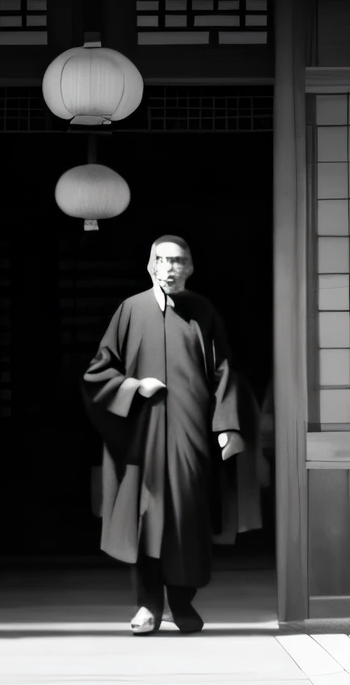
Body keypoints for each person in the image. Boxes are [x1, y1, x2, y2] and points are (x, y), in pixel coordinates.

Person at [83, 235, 244, 634]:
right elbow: (97, 371)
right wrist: (135, 387)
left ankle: (182, 604)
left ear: (190, 267)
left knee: (187, 518)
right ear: (150, 265)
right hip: (143, 433)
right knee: (145, 518)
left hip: (190, 435)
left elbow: (223, 369)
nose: (170, 268)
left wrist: (226, 425)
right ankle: (148, 605)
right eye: (163, 260)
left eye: (179, 261)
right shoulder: (131, 310)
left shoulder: (203, 311)